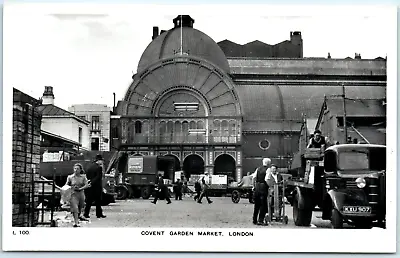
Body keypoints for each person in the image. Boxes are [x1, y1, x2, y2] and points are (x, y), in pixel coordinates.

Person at [65, 163, 91, 227]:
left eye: (77, 169)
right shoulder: (70, 177)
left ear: (80, 170)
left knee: (80, 207)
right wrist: (70, 188)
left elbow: (87, 185)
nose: (76, 170)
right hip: (73, 194)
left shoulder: (83, 177)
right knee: (75, 208)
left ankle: (78, 217)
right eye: (75, 168)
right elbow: (66, 185)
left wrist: (80, 188)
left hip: (81, 194)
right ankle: (76, 222)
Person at [83, 154, 106, 219]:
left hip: (89, 186)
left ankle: (86, 214)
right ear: (98, 161)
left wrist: (89, 182)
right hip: (96, 187)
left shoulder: (89, 167)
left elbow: (87, 176)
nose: (102, 162)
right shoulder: (99, 168)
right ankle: (99, 214)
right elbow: (98, 177)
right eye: (101, 161)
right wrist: (93, 182)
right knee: (98, 201)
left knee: (89, 201)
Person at [252, 158, 271, 226]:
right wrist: (270, 186)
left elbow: (253, 178)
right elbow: (267, 179)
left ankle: (254, 220)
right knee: (263, 205)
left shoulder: (258, 169)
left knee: (257, 204)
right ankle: (260, 220)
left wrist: (254, 186)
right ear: (268, 163)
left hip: (257, 186)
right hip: (263, 187)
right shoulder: (268, 169)